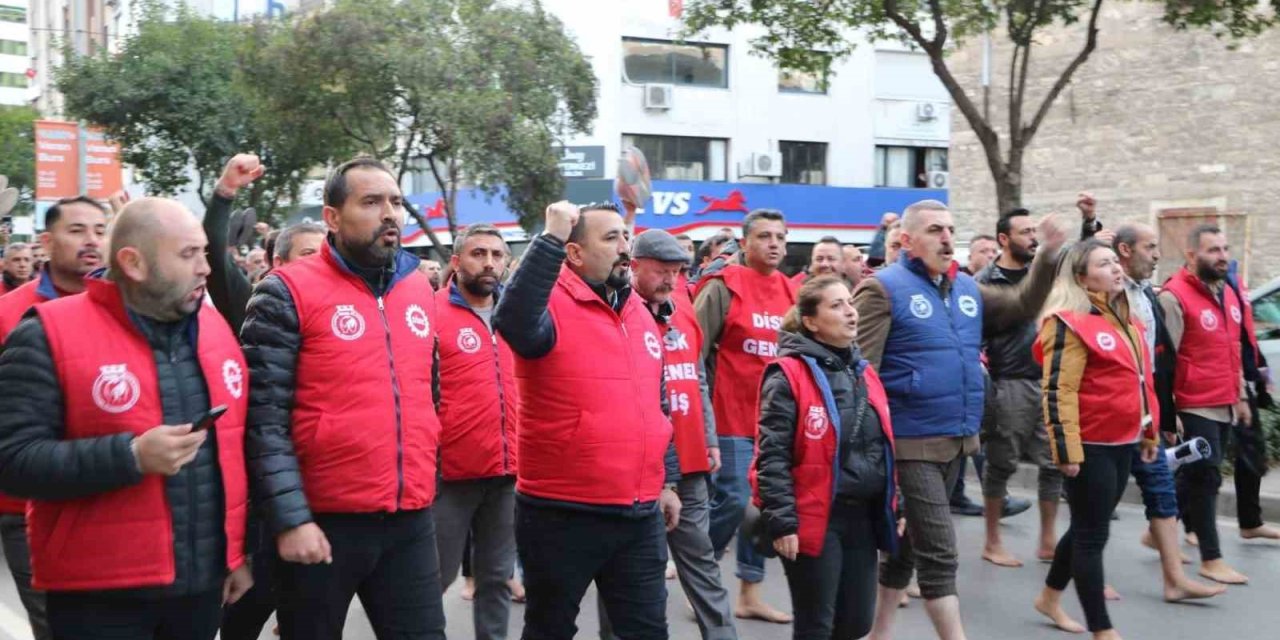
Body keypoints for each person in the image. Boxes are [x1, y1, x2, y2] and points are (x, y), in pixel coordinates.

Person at [0, 197, 253, 640]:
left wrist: (236, 554)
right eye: (188, 254)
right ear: (133, 263)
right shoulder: (45, 332)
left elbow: (233, 452)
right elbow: (12, 460)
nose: (205, 269)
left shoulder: (215, 331)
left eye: (205, 253)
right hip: (96, 594)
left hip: (199, 589)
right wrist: (130, 456)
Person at [241, 157, 446, 639]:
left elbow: (427, 394)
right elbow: (263, 419)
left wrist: (424, 475)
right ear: (332, 217)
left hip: (409, 519)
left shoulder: (417, 288)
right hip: (320, 523)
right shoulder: (285, 291)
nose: (390, 213)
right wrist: (290, 519)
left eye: (395, 201)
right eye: (372, 202)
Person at [858, 200, 1066, 640]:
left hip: (957, 437)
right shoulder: (883, 288)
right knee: (940, 552)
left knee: (908, 550)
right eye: (935, 230)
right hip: (910, 442)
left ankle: (877, 634)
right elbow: (863, 375)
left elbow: (1022, 304)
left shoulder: (966, 288)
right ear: (907, 240)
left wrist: (1047, 256)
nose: (947, 238)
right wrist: (878, 454)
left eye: (951, 229)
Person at [493, 201, 680, 640]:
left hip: (639, 513)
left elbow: (656, 403)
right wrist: (550, 238)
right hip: (562, 514)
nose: (624, 249)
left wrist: (667, 481)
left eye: (626, 237)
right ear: (574, 253)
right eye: (611, 238)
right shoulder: (548, 304)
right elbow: (514, 322)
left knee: (648, 631)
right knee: (550, 628)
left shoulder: (638, 311)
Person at [606, 229, 736, 640]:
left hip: (691, 456)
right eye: (662, 270)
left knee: (701, 563)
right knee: (626, 574)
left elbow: (696, 378)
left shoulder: (682, 308)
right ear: (634, 266)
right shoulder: (616, 312)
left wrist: (710, 437)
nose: (671, 280)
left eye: (677, 271)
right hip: (637, 467)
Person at [756, 275, 899, 640]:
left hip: (862, 517)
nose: (850, 312)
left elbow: (881, 448)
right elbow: (771, 455)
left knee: (855, 623)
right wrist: (783, 520)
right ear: (811, 322)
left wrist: (894, 506)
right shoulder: (787, 374)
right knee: (817, 625)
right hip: (814, 515)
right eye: (836, 306)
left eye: (850, 303)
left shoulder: (864, 372)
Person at [1033, 238, 1160, 639]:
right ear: (1082, 276)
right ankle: (1102, 629)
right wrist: (1066, 451)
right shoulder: (1068, 322)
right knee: (1093, 535)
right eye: (1105, 264)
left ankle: (1050, 597)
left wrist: (1148, 429)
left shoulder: (1125, 318)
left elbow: (1141, 381)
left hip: (1123, 440)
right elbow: (1058, 390)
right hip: (1089, 445)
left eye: (1114, 262)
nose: (1116, 269)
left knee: (1091, 524)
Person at [0, 196, 108, 640]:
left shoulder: (127, 308)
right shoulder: (10, 313)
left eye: (101, 230)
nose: (92, 241)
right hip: (28, 510)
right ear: (46, 241)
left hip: (112, 499)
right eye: (77, 230)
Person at [1109, 223, 1225, 602]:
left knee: (1162, 494)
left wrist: (1166, 411)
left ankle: (1174, 581)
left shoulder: (1148, 295)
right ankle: (1067, 582)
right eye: (1150, 246)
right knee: (1098, 506)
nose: (1157, 254)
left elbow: (1160, 361)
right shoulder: (1106, 295)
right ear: (1125, 251)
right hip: (1112, 414)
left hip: (1147, 414)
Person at [694, 208, 797, 624]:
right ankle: (699, 574)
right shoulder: (724, 286)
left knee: (764, 508)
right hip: (730, 414)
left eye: (780, 237)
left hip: (775, 420)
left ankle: (749, 593)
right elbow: (694, 350)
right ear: (745, 243)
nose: (774, 244)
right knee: (734, 501)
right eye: (765, 236)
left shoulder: (792, 292)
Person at [433, 223, 520, 640]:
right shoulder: (430, 312)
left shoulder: (516, 315)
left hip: (507, 474)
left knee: (497, 579)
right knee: (435, 578)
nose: (488, 263)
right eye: (477, 253)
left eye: (497, 255)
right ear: (456, 262)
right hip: (449, 474)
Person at [1160, 224, 1251, 585]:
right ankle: (1211, 559)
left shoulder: (1227, 293)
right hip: (1193, 402)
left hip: (1224, 399)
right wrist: (1170, 411)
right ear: (1192, 255)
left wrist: (1241, 394)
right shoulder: (1174, 296)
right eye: (1213, 250)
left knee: (1199, 475)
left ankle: (1159, 528)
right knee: (1207, 476)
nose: (1222, 256)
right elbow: (1166, 360)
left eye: (1225, 249)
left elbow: (1233, 350)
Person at [974, 209, 1063, 567]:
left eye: (1034, 231)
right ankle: (992, 540)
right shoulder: (985, 280)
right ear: (1003, 239)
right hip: (1009, 382)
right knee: (1001, 464)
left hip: (1050, 380)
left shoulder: (1045, 276)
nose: (1032, 237)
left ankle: (1047, 540)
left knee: (1054, 462)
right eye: (1025, 232)